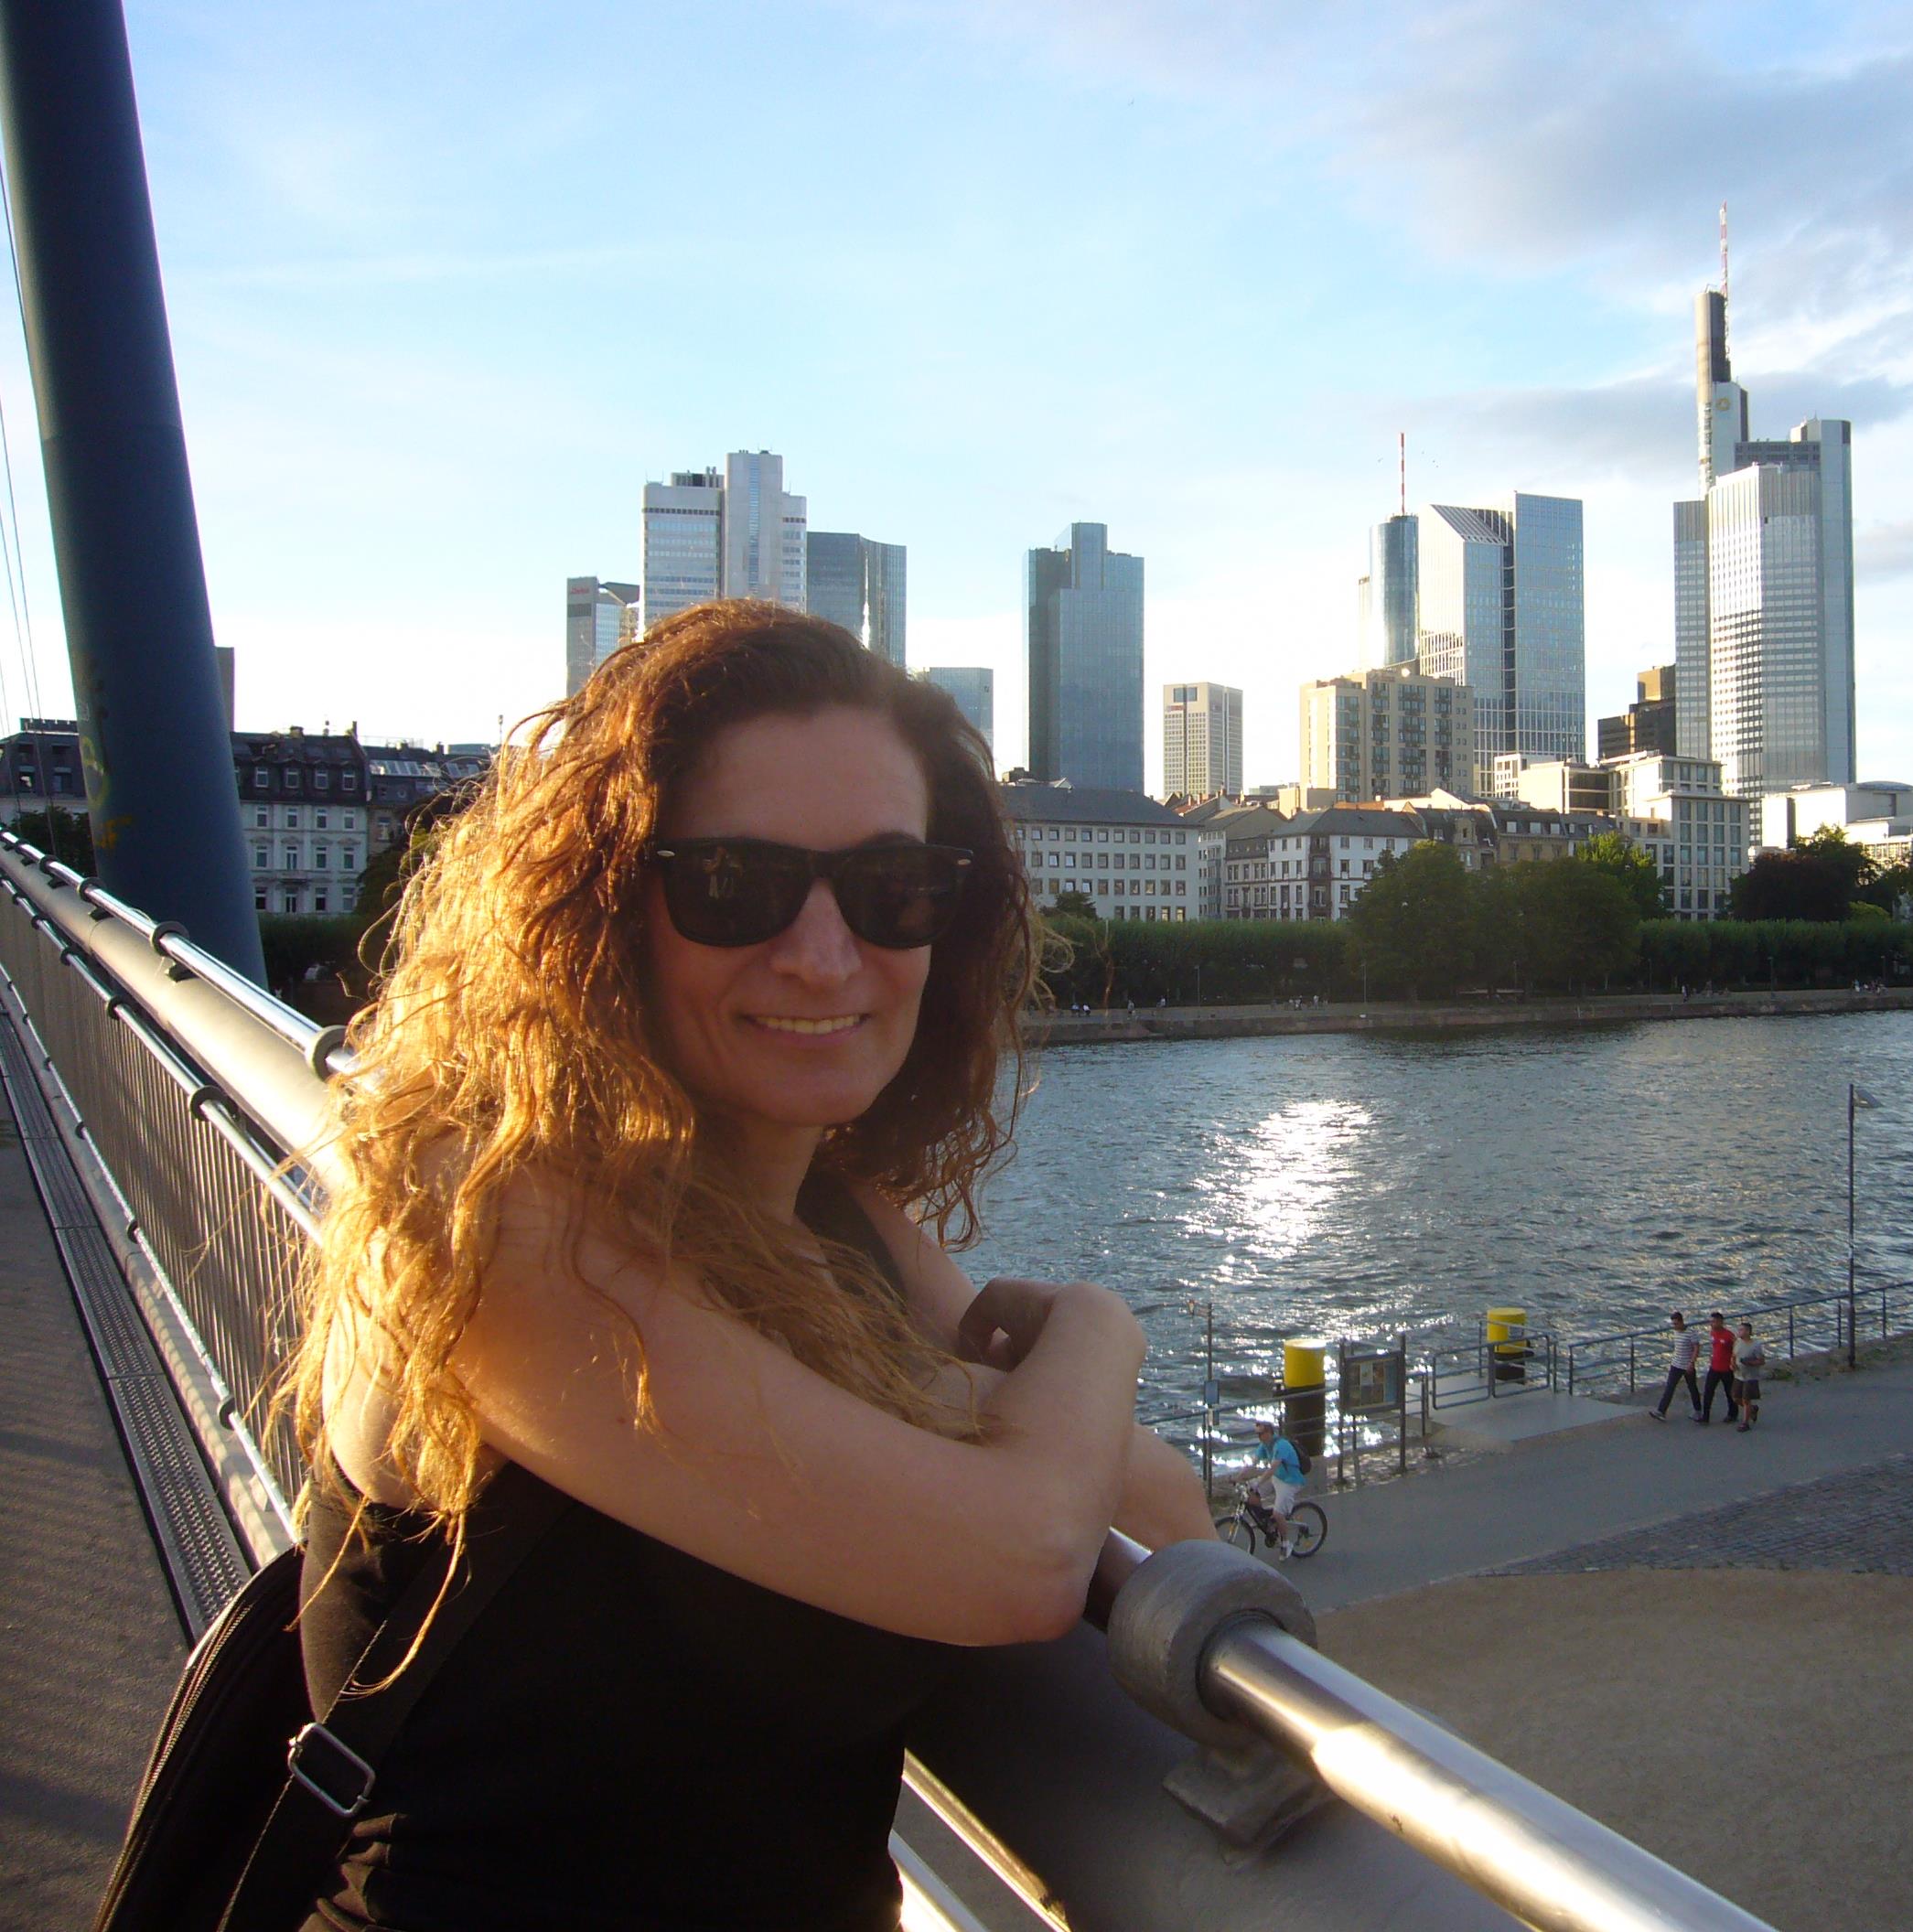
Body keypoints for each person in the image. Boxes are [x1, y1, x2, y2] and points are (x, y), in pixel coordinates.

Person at [283, 604, 1215, 1932]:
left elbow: (1155, 1505)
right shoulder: (485, 1222)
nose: (826, 956)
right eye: (733, 884)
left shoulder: (831, 1210)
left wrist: (1009, 1423)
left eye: (893, 887)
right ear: (602, 912)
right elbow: (1027, 1555)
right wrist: (1102, 1329)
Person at [1245, 1418, 1306, 1547]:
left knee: (1278, 1514)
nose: (1259, 1437)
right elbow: (1252, 1464)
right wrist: (1237, 1478)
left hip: (1290, 1482)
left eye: (1261, 1434)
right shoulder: (1265, 1445)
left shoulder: (1281, 1445)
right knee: (1250, 1494)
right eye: (1257, 1434)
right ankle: (1267, 1522)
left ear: (1269, 1433)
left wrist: (1258, 1482)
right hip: (1277, 1478)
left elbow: (1272, 1468)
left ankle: (1286, 1543)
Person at [1648, 1310, 1702, 1422]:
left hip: (1687, 1365)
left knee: (1692, 1388)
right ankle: (1661, 1411)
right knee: (1670, 1387)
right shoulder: (1676, 1332)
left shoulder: (1691, 1333)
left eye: (1676, 1324)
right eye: (1673, 1324)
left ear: (1681, 1322)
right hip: (1676, 1364)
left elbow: (1696, 1348)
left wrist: (1692, 1362)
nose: (1674, 1326)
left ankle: (1698, 1411)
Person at [1699, 1309, 1738, 1426]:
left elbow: (1736, 1349)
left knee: (1729, 1392)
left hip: (1727, 1369)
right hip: (1714, 1367)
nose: (1712, 1324)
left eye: (1714, 1322)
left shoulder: (1729, 1335)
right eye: (1711, 1322)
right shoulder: (1712, 1333)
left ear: (1721, 1322)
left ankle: (1733, 1414)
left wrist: (1733, 1363)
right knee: (1708, 1391)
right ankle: (1705, 1416)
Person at [1734, 1323, 1767, 1431]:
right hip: (1739, 1375)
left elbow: (1761, 1361)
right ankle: (1752, 1409)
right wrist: (1732, 1365)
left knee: (1746, 1399)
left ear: (1748, 1332)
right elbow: (1734, 1355)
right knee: (1736, 1398)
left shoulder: (1756, 1345)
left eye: (1741, 1330)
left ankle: (1745, 1423)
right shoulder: (1737, 1342)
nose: (1739, 1332)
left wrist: (1750, 1363)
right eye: (1739, 1330)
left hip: (1750, 1376)